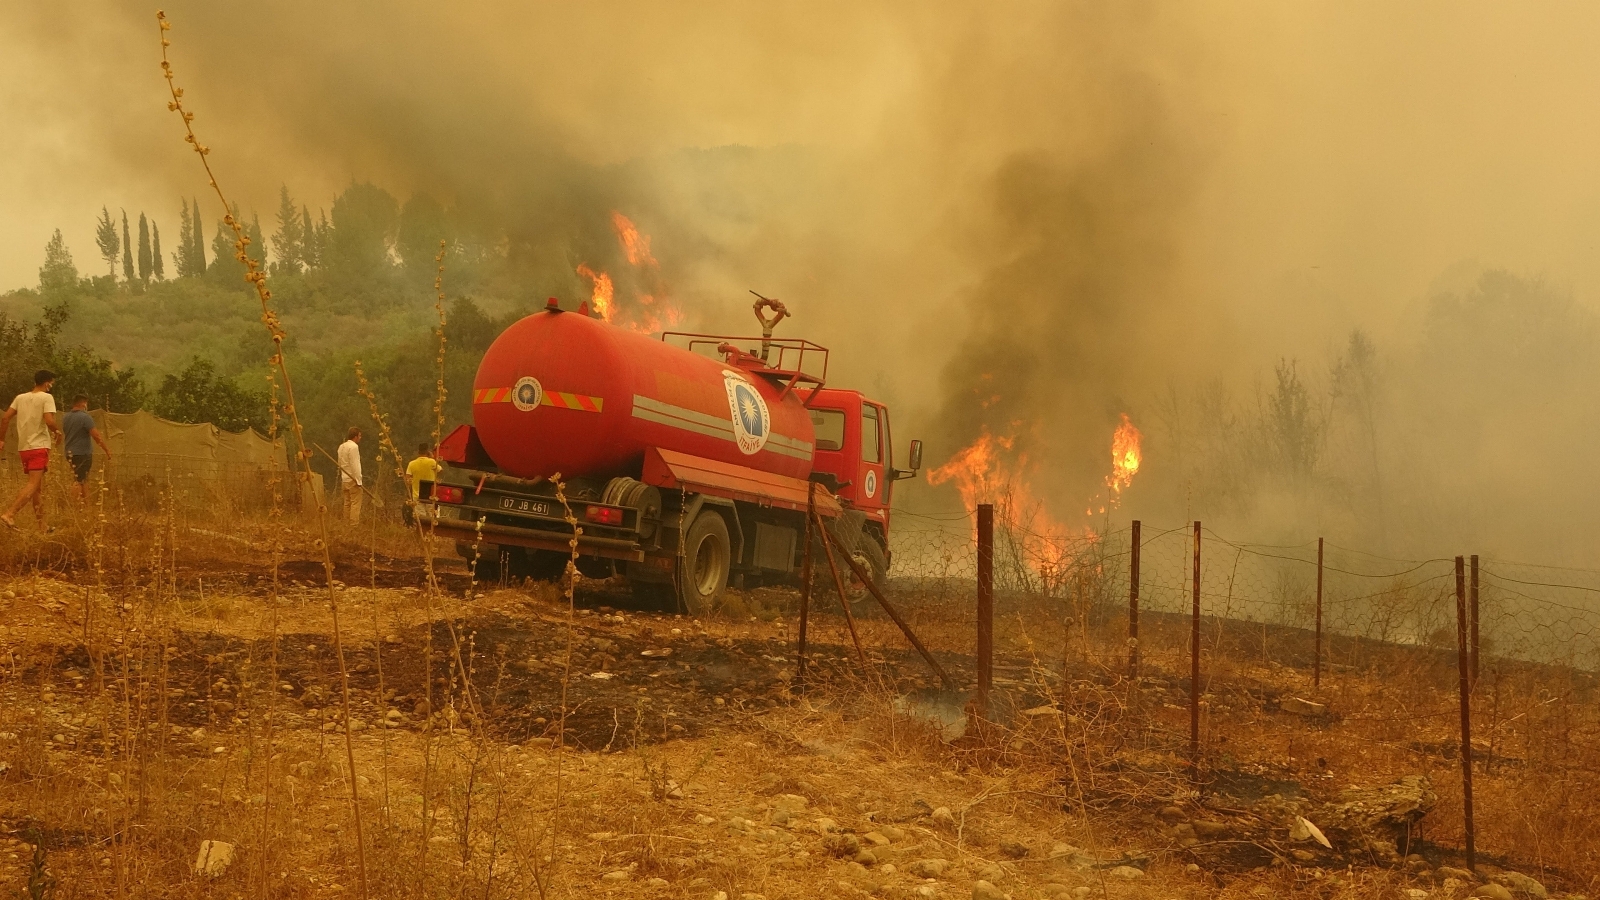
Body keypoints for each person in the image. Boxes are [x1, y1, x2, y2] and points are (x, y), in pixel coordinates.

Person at [0, 370, 62, 531]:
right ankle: (10, 514)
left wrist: (1, 439)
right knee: (33, 484)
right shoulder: (47, 398)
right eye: (51, 383)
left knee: (37, 488)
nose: (51, 386)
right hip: (39, 446)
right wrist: (57, 431)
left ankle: (42, 525)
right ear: (47, 382)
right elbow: (49, 420)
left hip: (24, 448)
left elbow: (5, 418)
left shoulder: (20, 398)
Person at [61, 395, 111, 503]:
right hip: (82, 453)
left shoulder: (66, 417)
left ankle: (86, 506)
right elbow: (96, 436)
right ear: (83, 403)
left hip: (70, 452)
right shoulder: (85, 417)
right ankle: (74, 505)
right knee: (79, 480)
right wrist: (106, 450)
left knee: (82, 479)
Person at [403, 442, 442, 527]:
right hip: (431, 495)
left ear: (418, 451)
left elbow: (407, 479)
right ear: (427, 451)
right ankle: (431, 535)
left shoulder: (412, 463)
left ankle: (421, 536)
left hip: (417, 495)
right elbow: (440, 471)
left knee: (421, 519)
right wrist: (432, 458)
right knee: (433, 518)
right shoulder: (432, 462)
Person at [337, 427, 363, 525]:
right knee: (355, 503)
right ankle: (353, 525)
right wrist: (358, 480)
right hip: (353, 479)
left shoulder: (341, 447)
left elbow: (340, 464)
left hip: (345, 479)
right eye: (359, 436)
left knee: (347, 503)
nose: (360, 438)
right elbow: (355, 465)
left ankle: (346, 523)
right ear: (355, 436)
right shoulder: (354, 447)